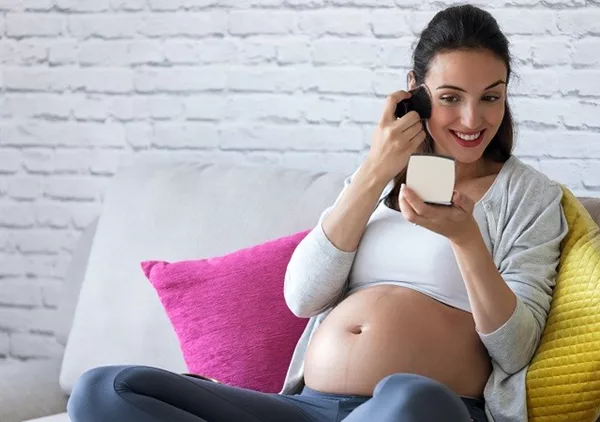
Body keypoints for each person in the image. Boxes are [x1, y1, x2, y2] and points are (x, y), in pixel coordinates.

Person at [67, 4, 569, 422]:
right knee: (105, 389)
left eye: (491, 98)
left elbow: (515, 349)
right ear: (414, 90)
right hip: (305, 409)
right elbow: (302, 297)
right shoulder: (376, 178)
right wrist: (376, 170)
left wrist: (466, 240)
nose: (471, 119)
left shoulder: (529, 197)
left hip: (424, 409)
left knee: (413, 398)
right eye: (449, 98)